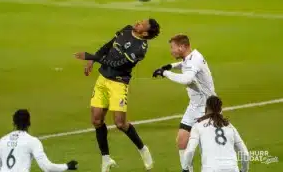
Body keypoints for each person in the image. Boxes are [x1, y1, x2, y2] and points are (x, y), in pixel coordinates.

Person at [74, 19, 160, 172]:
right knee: (96, 120)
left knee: (120, 123)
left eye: (142, 24)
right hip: (102, 80)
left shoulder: (140, 49)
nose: (138, 22)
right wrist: (93, 60)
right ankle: (106, 159)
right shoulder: (126, 29)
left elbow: (117, 64)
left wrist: (89, 56)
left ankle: (143, 149)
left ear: (145, 33)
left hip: (118, 84)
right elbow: (108, 46)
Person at [152, 34, 215, 172]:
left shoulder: (194, 60)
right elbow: (184, 64)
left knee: (208, 147)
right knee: (181, 141)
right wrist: (170, 66)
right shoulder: (191, 56)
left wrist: (165, 73)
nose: (171, 51)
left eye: (173, 47)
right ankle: (187, 170)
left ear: (182, 47)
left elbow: (187, 79)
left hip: (207, 108)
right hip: (194, 106)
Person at [0, 109, 78, 172]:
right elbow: (47, 167)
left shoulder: (3, 140)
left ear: (13, 123)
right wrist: (67, 166)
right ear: (29, 123)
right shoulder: (32, 141)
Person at [182, 96, 250, 172]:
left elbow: (190, 151)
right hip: (232, 168)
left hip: (210, 169)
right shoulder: (229, 126)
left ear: (206, 108)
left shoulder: (198, 126)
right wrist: (244, 170)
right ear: (220, 110)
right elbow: (245, 153)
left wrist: (185, 169)